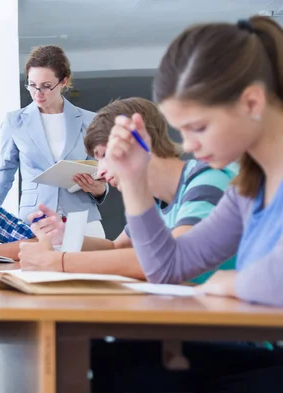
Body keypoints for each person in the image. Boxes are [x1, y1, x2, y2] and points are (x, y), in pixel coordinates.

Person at [84, 16, 283, 392]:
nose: (188, 146)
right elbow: (167, 267)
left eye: (199, 127)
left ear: (252, 102)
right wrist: (135, 180)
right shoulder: (247, 188)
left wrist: (234, 281)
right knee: (111, 363)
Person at [19, 98, 237, 283]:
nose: (101, 172)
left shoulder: (206, 179)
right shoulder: (154, 202)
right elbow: (116, 247)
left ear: (140, 142)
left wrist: (60, 262)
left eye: (104, 155)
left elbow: (169, 260)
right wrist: (63, 234)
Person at [0, 45, 108, 237]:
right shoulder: (14, 122)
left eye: (45, 86)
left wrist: (100, 189)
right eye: (32, 85)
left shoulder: (90, 121)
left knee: (92, 266)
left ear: (63, 82)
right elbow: (4, 174)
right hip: (35, 219)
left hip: (82, 218)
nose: (37, 93)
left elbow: (102, 170)